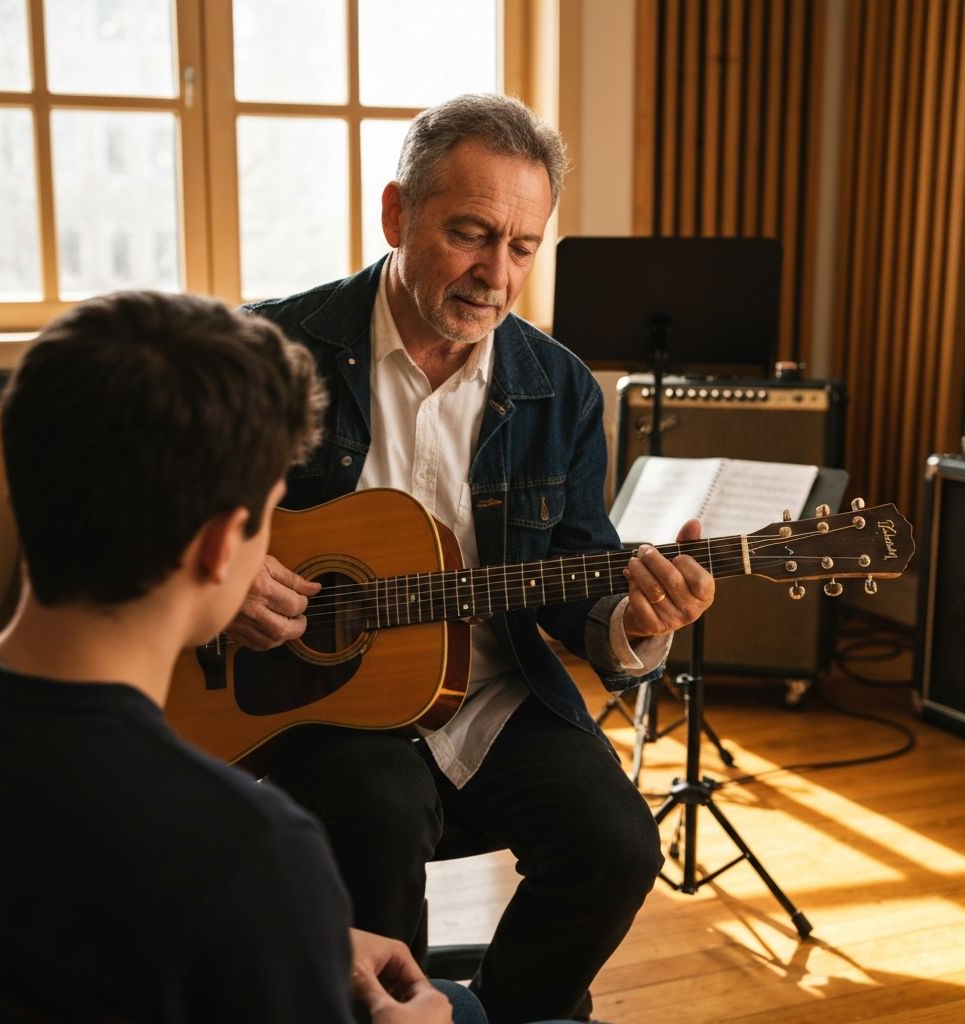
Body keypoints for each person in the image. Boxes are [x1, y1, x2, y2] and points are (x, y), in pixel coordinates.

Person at [235, 93, 716, 1024]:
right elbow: (168, 521)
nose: (496, 274)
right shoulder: (273, 350)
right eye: (470, 233)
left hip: (494, 696)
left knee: (617, 846)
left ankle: (499, 1013)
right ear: (395, 215)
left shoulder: (559, 386)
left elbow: (580, 573)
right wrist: (225, 581)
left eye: (523, 247)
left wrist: (638, 621)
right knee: (371, 821)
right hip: (316, 700)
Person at [0, 290, 464, 1023]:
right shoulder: (252, 851)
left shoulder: (252, 876)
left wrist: (290, 933)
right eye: (271, 513)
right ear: (219, 547)